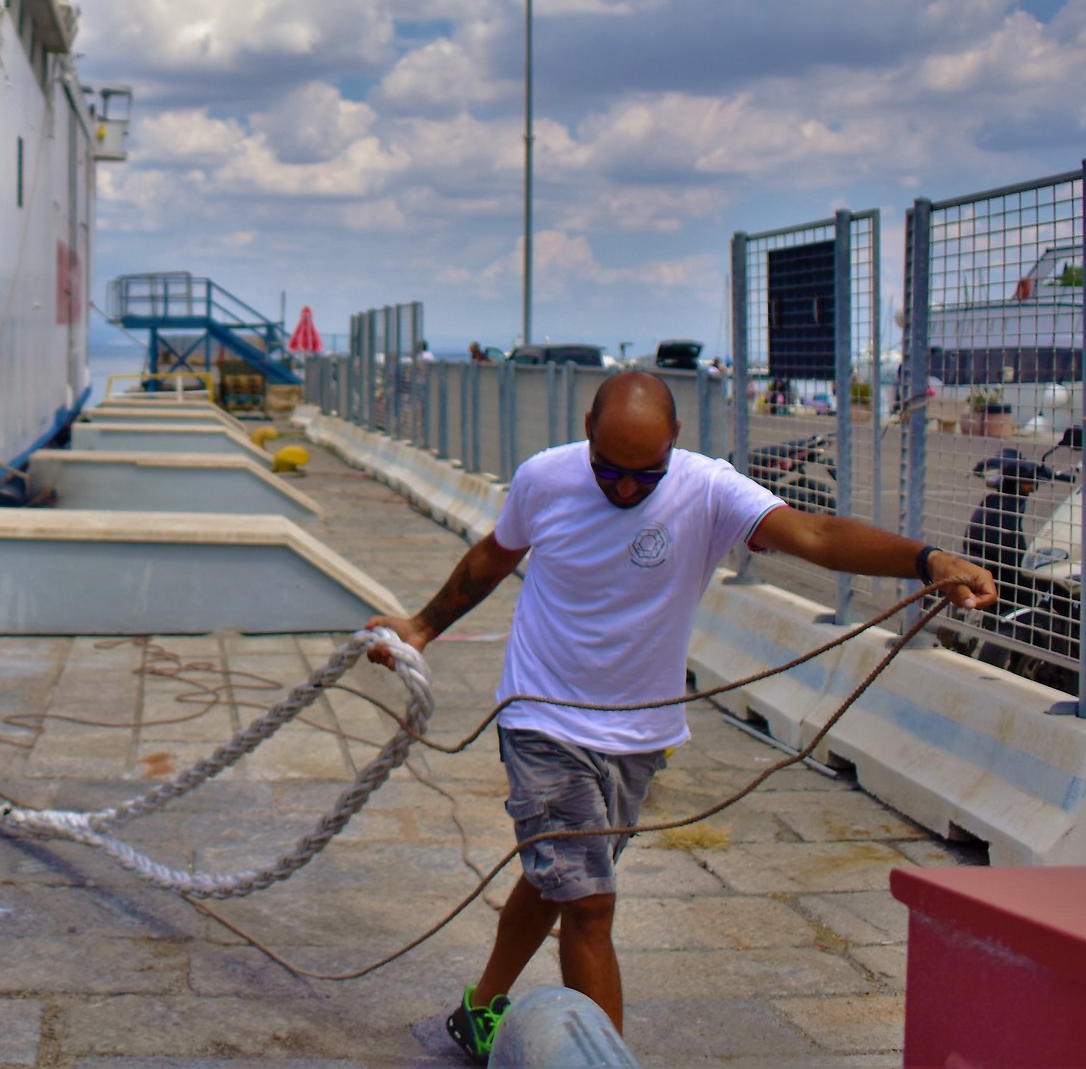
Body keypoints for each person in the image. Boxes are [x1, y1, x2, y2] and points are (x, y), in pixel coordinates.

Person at [364, 372, 996, 1060]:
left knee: (563, 877)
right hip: (543, 721)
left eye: (646, 475)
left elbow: (813, 534)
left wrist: (927, 560)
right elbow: (495, 555)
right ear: (586, 430)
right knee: (590, 904)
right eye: (610, 473)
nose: (627, 490)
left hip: (641, 734)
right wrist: (421, 626)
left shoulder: (709, 488)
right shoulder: (544, 479)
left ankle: (480, 1009)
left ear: (675, 443)